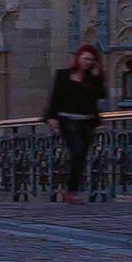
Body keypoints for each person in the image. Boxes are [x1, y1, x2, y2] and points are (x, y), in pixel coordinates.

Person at [44, 45, 107, 204]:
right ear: (78, 58)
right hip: (67, 119)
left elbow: (101, 96)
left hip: (86, 121)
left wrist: (98, 77)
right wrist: (51, 116)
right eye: (86, 58)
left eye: (91, 60)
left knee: (81, 155)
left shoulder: (93, 78)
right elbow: (55, 97)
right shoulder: (64, 75)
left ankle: (71, 190)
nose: (88, 62)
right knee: (78, 151)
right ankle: (70, 190)